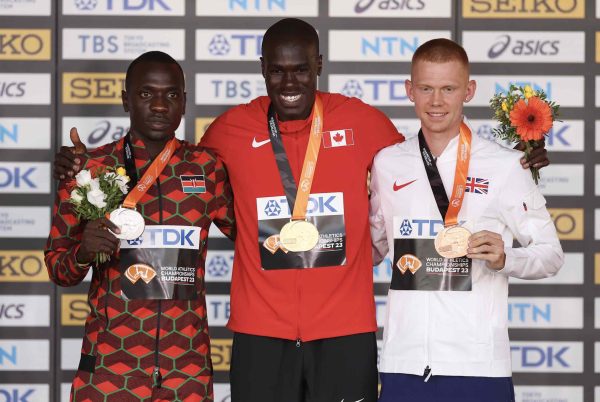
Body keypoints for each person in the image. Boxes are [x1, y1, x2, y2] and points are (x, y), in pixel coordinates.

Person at [53, 20, 550, 402]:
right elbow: (175, 174)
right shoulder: (226, 132)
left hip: (345, 332)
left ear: (319, 65)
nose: (289, 81)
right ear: (262, 69)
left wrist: (520, 166)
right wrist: (79, 170)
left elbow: (431, 163)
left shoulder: (363, 122)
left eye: (301, 69)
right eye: (277, 70)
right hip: (258, 333)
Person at [369, 38, 564, 402]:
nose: (436, 101)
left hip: (478, 364)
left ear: (469, 91)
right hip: (404, 361)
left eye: (448, 89)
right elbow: (372, 249)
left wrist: (506, 257)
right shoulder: (387, 163)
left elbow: (550, 254)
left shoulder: (505, 165)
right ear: (409, 90)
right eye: (425, 88)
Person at [45, 51, 235, 401]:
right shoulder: (88, 168)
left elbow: (254, 235)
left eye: (171, 94)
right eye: (146, 93)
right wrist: (83, 252)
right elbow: (59, 269)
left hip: (187, 372)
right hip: (109, 371)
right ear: (125, 100)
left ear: (184, 102)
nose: (160, 105)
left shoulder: (208, 168)